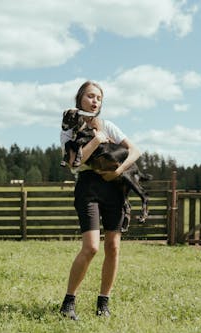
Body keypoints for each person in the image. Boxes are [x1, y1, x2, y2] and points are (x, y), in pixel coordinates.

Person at [59, 81, 141, 320]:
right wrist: (97, 139)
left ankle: (103, 303)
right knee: (92, 247)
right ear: (80, 100)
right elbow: (75, 162)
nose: (95, 101)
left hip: (113, 187)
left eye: (99, 98)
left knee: (113, 247)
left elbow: (135, 151)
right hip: (88, 187)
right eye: (90, 97)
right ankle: (68, 303)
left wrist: (119, 171)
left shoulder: (110, 126)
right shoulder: (69, 128)